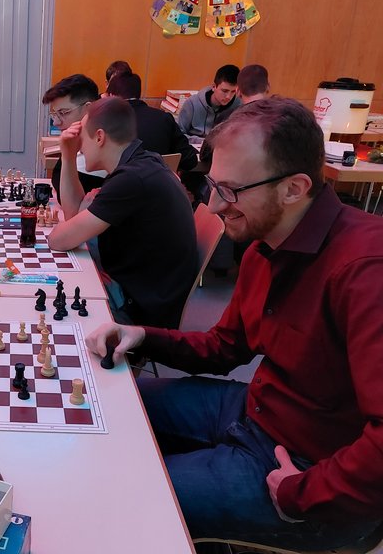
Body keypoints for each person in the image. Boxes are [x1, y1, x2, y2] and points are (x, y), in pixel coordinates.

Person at [86, 97, 383, 551]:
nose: (212, 205)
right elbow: (226, 347)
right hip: (255, 411)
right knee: (109, 404)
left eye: (229, 190)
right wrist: (142, 335)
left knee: (122, 496)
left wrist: (302, 493)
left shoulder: (365, 270)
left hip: (308, 472)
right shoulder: (265, 245)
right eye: (212, 185)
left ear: (294, 188)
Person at [48, 97, 197, 329]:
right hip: (152, 294)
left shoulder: (131, 180)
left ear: (99, 137)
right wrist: (67, 156)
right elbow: (73, 216)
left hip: (140, 312)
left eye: (82, 139)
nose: (80, 148)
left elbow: (58, 239)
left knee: (50, 302)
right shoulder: (142, 162)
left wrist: (77, 221)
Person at [105, 71, 198, 175]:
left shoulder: (106, 122)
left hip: (118, 182)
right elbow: (190, 160)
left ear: (111, 95)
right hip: (161, 182)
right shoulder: (164, 119)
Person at [42, 74, 102, 201]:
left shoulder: (101, 151)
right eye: (55, 114)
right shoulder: (73, 141)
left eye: (63, 113)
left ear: (88, 109)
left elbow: (74, 207)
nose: (56, 122)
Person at [178, 64, 241, 142]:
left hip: (222, 147)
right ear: (214, 87)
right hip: (194, 146)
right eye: (224, 91)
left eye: (233, 92)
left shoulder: (238, 106)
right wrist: (203, 142)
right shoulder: (192, 103)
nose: (228, 96)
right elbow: (178, 135)